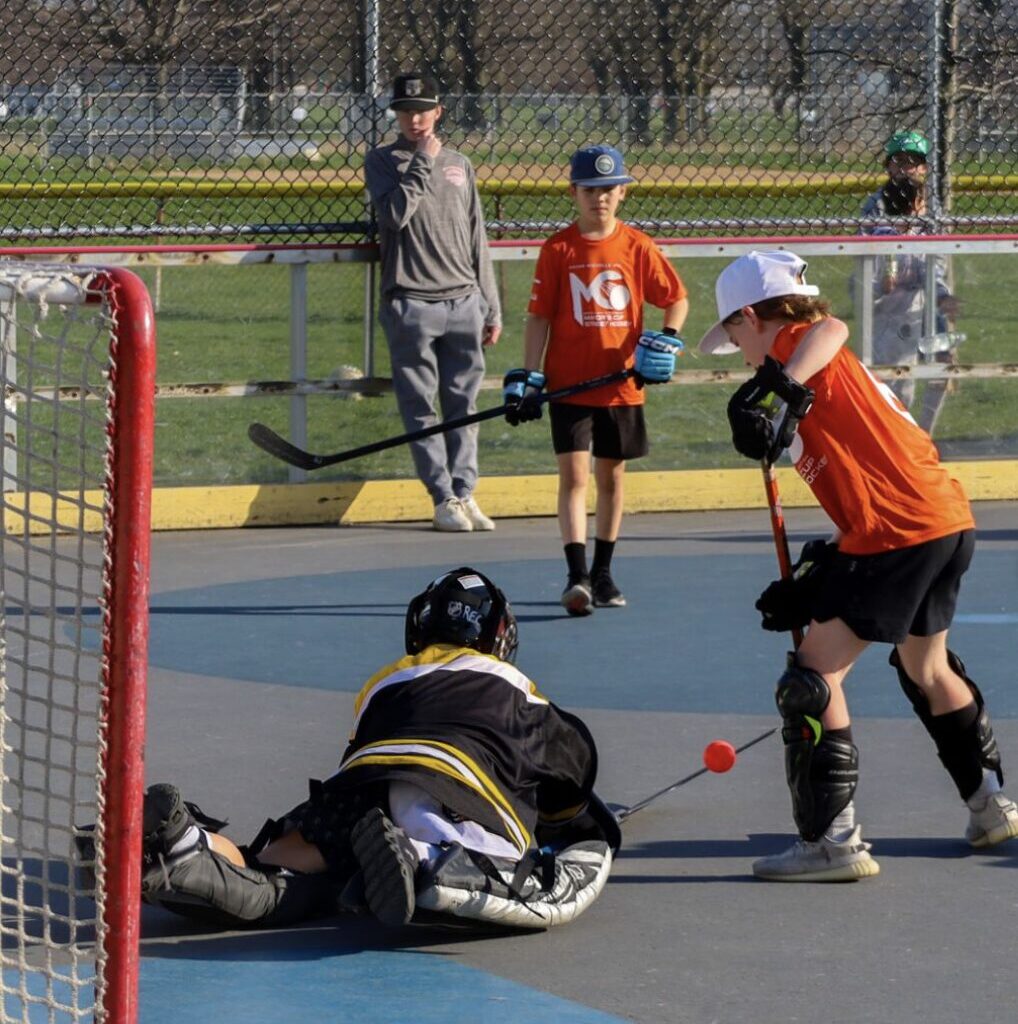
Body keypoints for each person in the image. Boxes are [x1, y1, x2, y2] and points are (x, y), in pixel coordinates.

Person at [699, 249, 1018, 882]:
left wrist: (778, 382)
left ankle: (832, 843)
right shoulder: (800, 382)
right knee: (924, 664)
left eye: (734, 330)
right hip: (938, 522)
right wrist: (822, 575)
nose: (736, 348)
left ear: (753, 316)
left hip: (901, 530)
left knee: (814, 676)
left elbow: (830, 326)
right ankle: (990, 806)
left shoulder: (799, 347)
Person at [127, 568, 619, 931]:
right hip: (456, 791)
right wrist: (571, 818)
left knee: (277, 862)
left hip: (361, 788)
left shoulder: (385, 680)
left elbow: (367, 752)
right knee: (494, 853)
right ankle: (417, 854)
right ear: (500, 637)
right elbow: (575, 760)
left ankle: (189, 845)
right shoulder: (515, 685)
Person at [502, 144, 688, 616]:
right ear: (573, 192)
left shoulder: (637, 247)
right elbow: (539, 317)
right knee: (574, 475)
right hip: (569, 384)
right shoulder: (559, 248)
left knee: (612, 476)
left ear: (622, 193)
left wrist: (667, 340)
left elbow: (676, 298)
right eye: (589, 190)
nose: (599, 199)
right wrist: (531, 375)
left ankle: (604, 572)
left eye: (608, 190)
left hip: (621, 385)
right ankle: (576, 574)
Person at [365, 73, 502, 533]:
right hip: (411, 303)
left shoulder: (461, 164)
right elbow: (393, 216)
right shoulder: (383, 162)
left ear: (438, 110)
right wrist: (421, 164)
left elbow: (476, 237)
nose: (415, 118)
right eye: (405, 111)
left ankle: (466, 492)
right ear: (396, 116)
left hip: (464, 301)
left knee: (464, 405)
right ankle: (442, 496)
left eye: (422, 109)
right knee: (420, 406)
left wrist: (491, 304)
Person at [859, 130, 961, 431]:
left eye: (913, 162)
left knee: (944, 362)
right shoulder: (876, 205)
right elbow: (866, 256)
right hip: (888, 303)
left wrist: (942, 296)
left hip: (925, 298)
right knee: (897, 378)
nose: (906, 168)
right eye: (899, 161)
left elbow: (936, 261)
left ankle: (922, 435)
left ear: (924, 168)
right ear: (888, 166)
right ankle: (895, 435)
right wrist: (879, 281)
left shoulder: (932, 209)